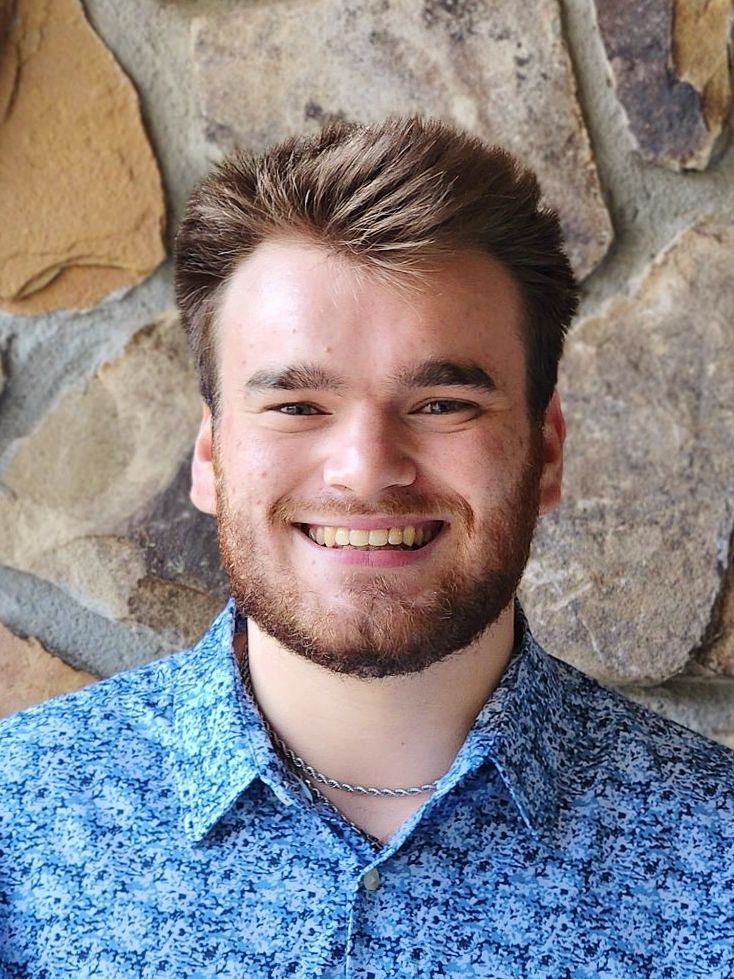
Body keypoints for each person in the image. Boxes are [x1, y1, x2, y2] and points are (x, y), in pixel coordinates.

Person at [1, 117, 732, 979]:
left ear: (547, 450)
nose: (367, 471)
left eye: (440, 404)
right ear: (209, 453)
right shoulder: (21, 830)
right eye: (298, 405)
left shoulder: (717, 851)